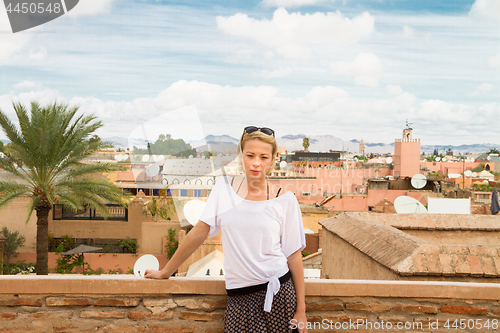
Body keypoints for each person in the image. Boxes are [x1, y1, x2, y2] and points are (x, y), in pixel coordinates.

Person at [145, 126, 308, 333]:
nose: (256, 162)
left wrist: (301, 310)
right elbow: (199, 232)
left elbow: (293, 256)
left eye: (263, 157)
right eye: (250, 155)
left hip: (278, 295)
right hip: (237, 299)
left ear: (273, 159)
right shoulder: (223, 189)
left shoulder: (285, 200)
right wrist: (166, 272)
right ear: (241, 155)